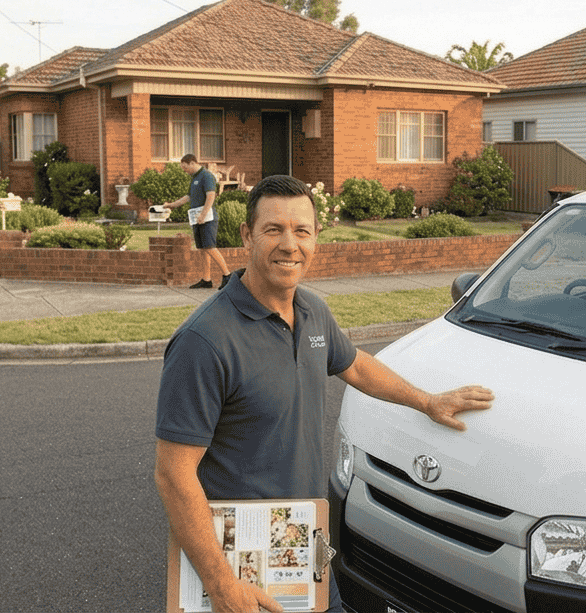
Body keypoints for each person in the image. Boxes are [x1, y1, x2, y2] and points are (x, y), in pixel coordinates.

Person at [155, 175, 494, 613]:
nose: (289, 244)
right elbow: (173, 475)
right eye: (273, 229)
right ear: (246, 236)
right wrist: (222, 585)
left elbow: (354, 365)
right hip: (239, 555)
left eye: (302, 231)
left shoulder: (312, 311)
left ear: (316, 238)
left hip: (305, 543)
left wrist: (426, 401)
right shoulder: (204, 342)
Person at [164, 154, 231, 289]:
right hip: (197, 218)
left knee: (210, 247)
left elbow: (211, 196)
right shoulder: (194, 178)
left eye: (185, 168)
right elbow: (188, 197)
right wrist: (171, 205)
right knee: (202, 249)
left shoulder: (207, 176)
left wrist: (203, 214)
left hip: (207, 218)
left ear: (192, 163)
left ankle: (227, 276)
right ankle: (206, 280)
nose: (184, 171)